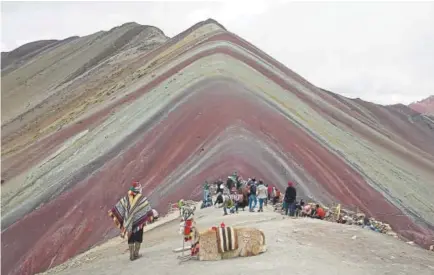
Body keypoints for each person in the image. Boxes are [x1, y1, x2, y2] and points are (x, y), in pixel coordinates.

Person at [108, 181, 153, 261]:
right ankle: (136, 253)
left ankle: (131, 255)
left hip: (128, 223)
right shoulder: (141, 198)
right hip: (139, 223)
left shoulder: (126, 198)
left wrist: (113, 211)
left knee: (131, 237)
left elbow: (120, 206)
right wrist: (150, 215)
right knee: (138, 237)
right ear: (139, 189)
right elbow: (147, 207)